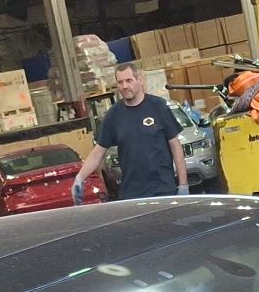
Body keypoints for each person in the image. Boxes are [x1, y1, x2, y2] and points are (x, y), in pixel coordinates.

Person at [71, 63, 188, 203]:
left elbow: (176, 147)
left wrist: (183, 185)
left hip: (163, 190)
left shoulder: (158, 107)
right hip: (132, 194)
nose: (124, 86)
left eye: (129, 80)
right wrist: (80, 177)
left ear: (140, 80)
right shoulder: (114, 115)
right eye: (120, 82)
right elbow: (98, 152)